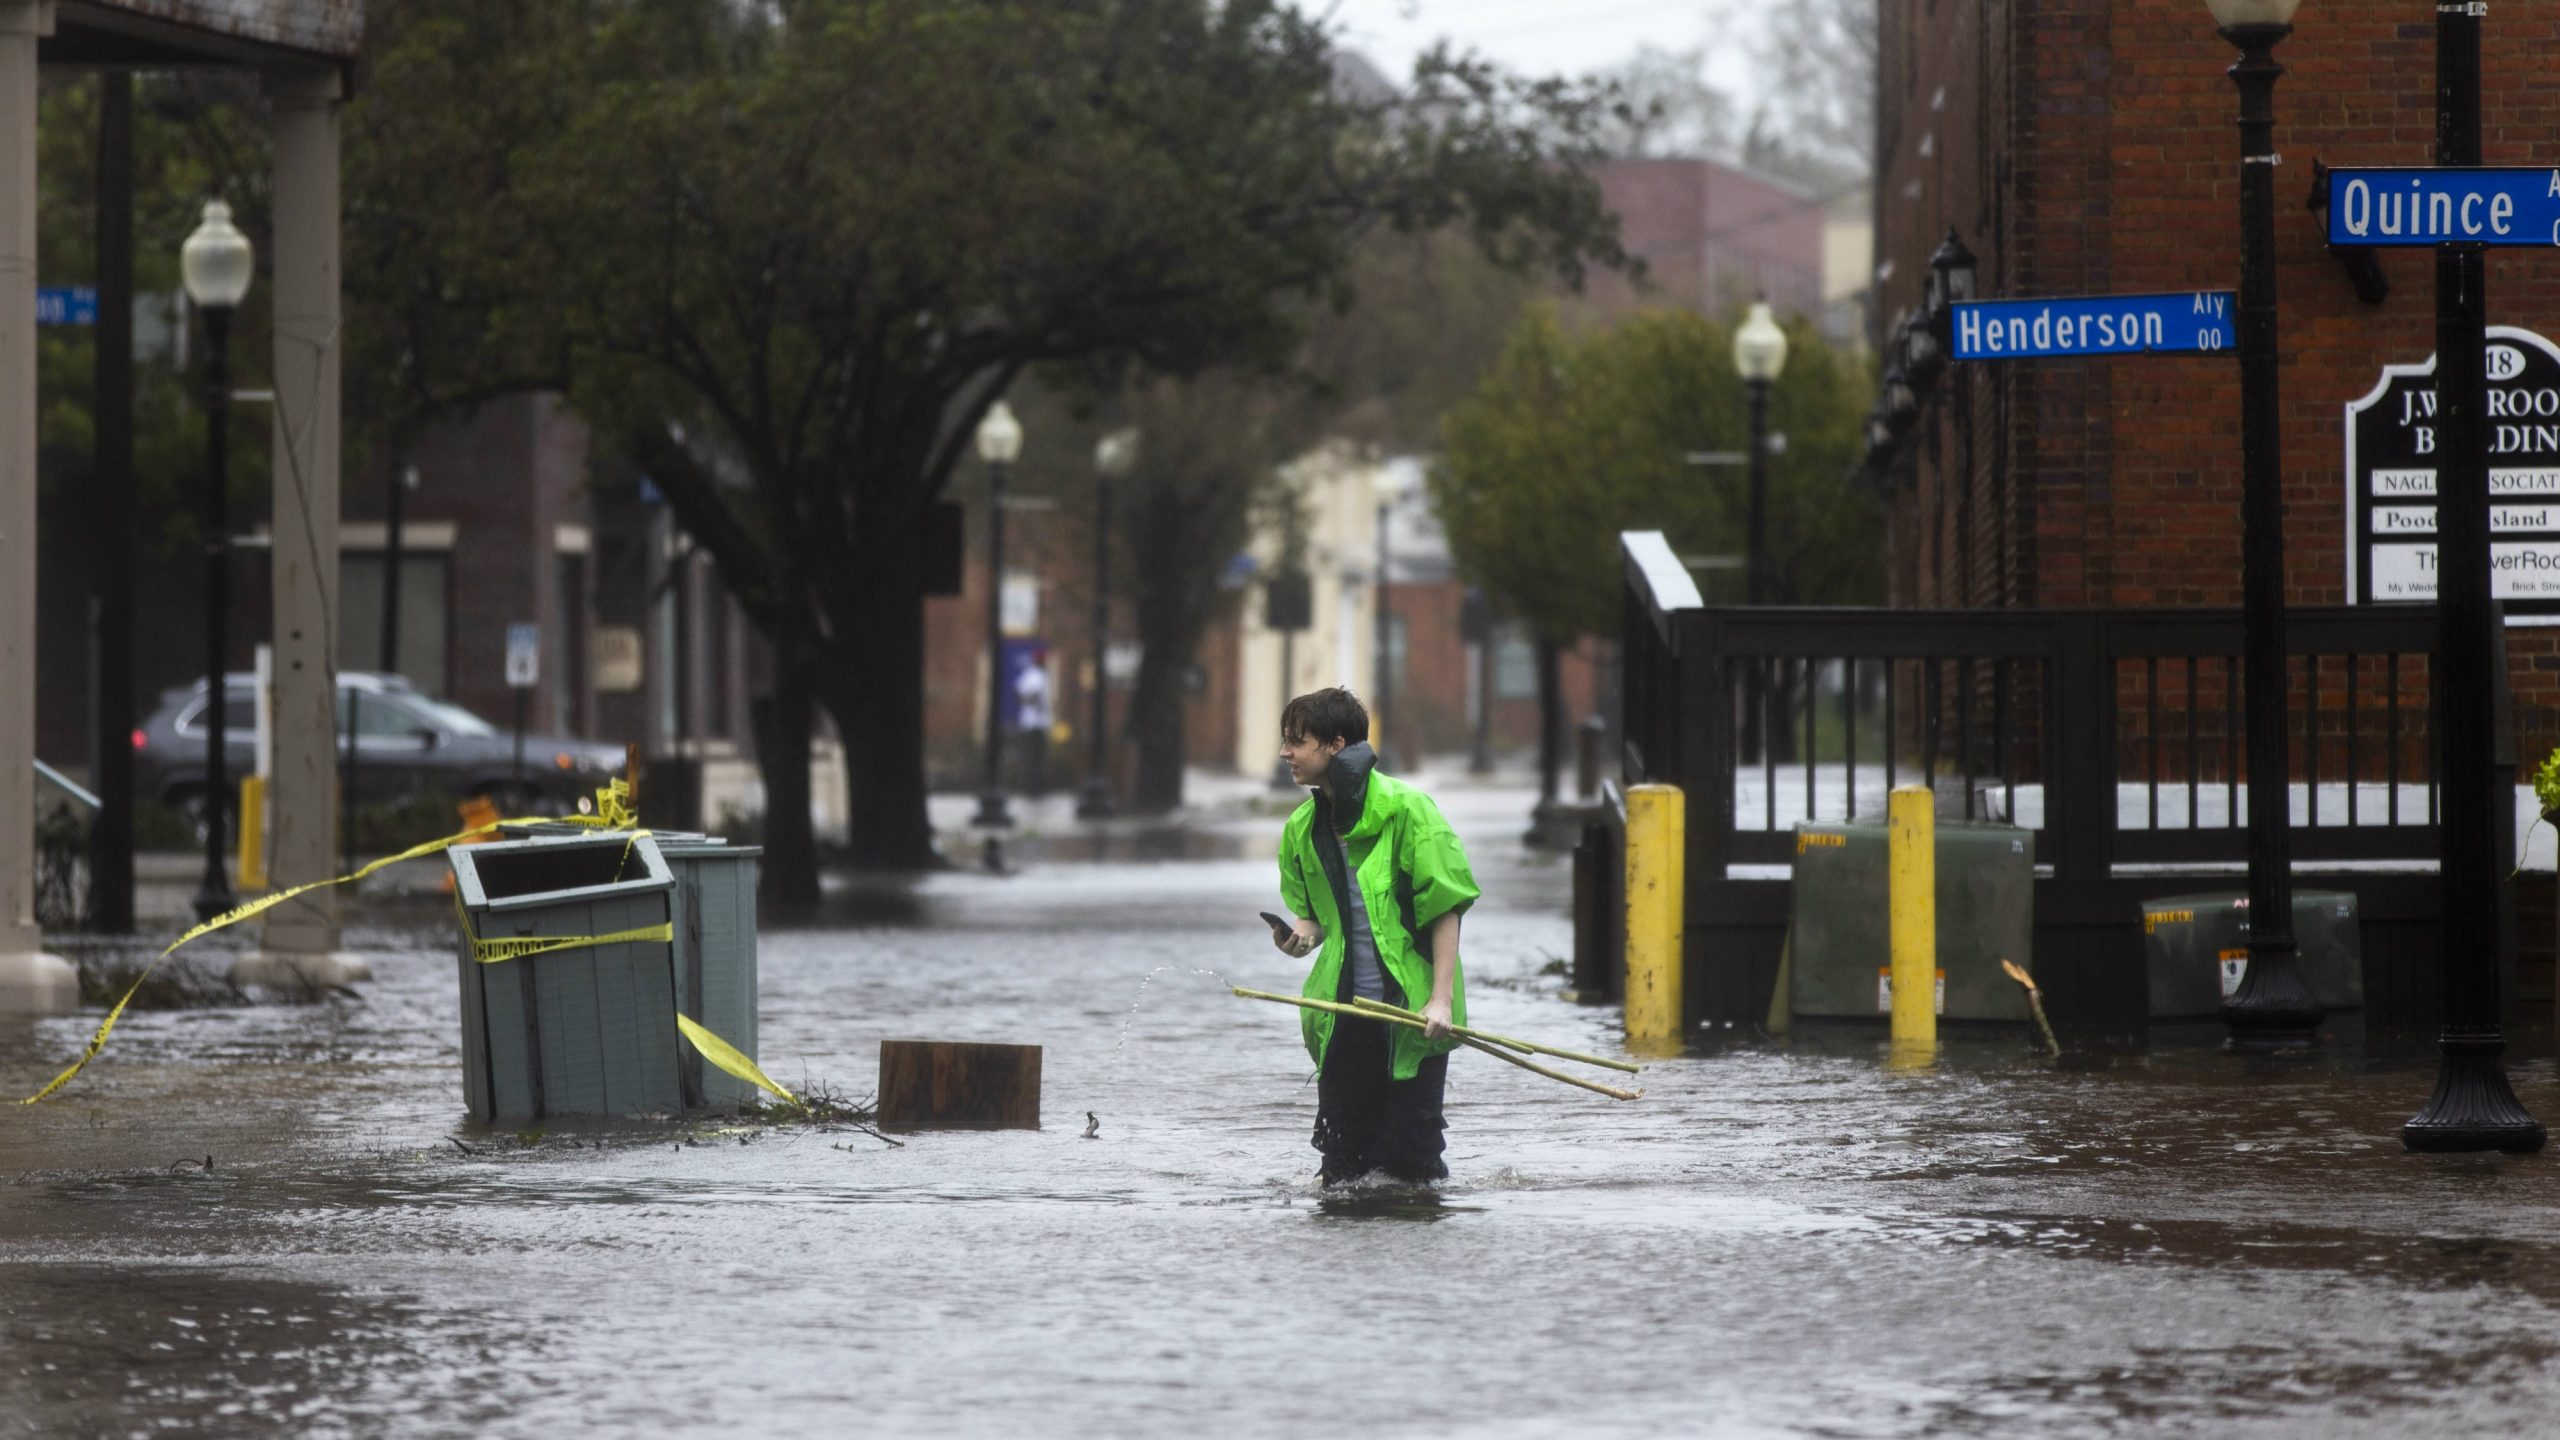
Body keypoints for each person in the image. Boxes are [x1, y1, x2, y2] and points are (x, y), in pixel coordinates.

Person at [1270, 687, 1479, 1185]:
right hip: (1341, 1016)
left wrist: (1441, 1002)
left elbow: (1445, 908)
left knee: (1412, 1166)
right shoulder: (1302, 828)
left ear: (1337, 745)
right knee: (1342, 1172)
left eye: (1297, 741)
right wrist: (1299, 938)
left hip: (1413, 1015)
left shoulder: (1410, 811)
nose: (1285, 753)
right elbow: (1317, 919)